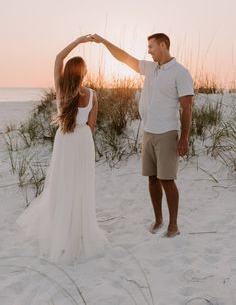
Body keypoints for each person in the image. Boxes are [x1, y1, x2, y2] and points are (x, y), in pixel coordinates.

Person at [89, 33, 194, 237]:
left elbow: (187, 108)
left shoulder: (180, 72)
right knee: (152, 178)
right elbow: (123, 57)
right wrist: (103, 41)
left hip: (167, 131)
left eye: (151, 46)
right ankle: (158, 219)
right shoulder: (151, 68)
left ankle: (173, 225)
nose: (148, 50)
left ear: (163, 45)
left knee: (167, 180)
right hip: (148, 131)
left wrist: (184, 137)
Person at [17, 35, 107, 263]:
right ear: (84, 73)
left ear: (67, 71)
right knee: (81, 185)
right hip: (83, 140)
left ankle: (62, 228)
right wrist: (84, 137)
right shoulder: (92, 95)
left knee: (62, 183)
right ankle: (79, 229)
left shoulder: (61, 88)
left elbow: (58, 57)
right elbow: (92, 126)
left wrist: (79, 40)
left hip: (65, 140)